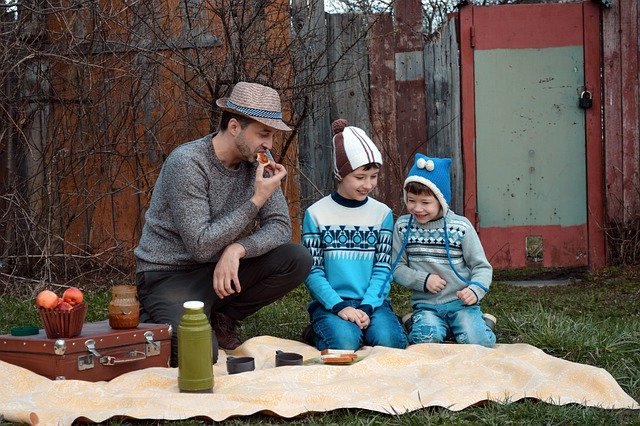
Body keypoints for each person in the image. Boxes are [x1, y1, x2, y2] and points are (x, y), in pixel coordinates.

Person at [134, 81, 313, 366]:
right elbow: (201, 247)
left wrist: (237, 249)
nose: (269, 144)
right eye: (263, 134)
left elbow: (280, 226)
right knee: (200, 356)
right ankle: (154, 314)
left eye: (272, 136)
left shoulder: (258, 161)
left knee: (297, 258)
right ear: (234, 127)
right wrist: (255, 200)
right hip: (169, 274)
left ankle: (222, 317)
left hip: (221, 269)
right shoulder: (188, 162)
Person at [300, 119, 408, 351]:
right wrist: (339, 307)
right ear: (341, 174)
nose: (368, 184)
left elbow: (383, 268)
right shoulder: (316, 214)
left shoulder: (382, 214)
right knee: (344, 343)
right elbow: (313, 271)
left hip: (373, 303)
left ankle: (369, 326)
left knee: (392, 343)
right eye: (360, 177)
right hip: (331, 303)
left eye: (374, 176)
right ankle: (317, 331)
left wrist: (368, 307)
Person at [392, 153, 496, 347]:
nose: (417, 208)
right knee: (425, 341)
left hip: (461, 304)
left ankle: (485, 325)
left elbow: (482, 267)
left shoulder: (461, 227)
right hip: (427, 305)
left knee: (478, 343)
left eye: (425, 203)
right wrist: (422, 280)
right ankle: (415, 321)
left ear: (441, 200)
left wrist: (474, 290)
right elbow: (396, 267)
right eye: (411, 200)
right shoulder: (403, 227)